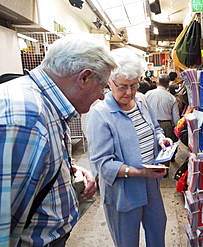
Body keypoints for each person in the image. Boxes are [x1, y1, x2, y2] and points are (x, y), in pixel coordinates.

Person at [0, 34, 117, 246]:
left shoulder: (43, 106)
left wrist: (68, 170)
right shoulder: (28, 117)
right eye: (103, 86)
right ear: (84, 78)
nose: (102, 96)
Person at [85, 47, 172, 247]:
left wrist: (160, 139)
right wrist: (139, 171)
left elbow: (156, 128)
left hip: (150, 184)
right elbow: (103, 164)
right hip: (123, 191)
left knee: (157, 229)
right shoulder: (100, 113)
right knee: (127, 240)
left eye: (134, 85)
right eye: (123, 86)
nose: (129, 92)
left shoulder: (141, 100)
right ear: (109, 81)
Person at [146, 74, 180, 166]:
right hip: (166, 125)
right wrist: (177, 130)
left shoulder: (148, 94)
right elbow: (176, 118)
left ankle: (151, 167)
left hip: (150, 123)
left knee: (151, 147)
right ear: (168, 84)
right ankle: (164, 169)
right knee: (165, 148)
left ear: (157, 82)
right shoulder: (171, 98)